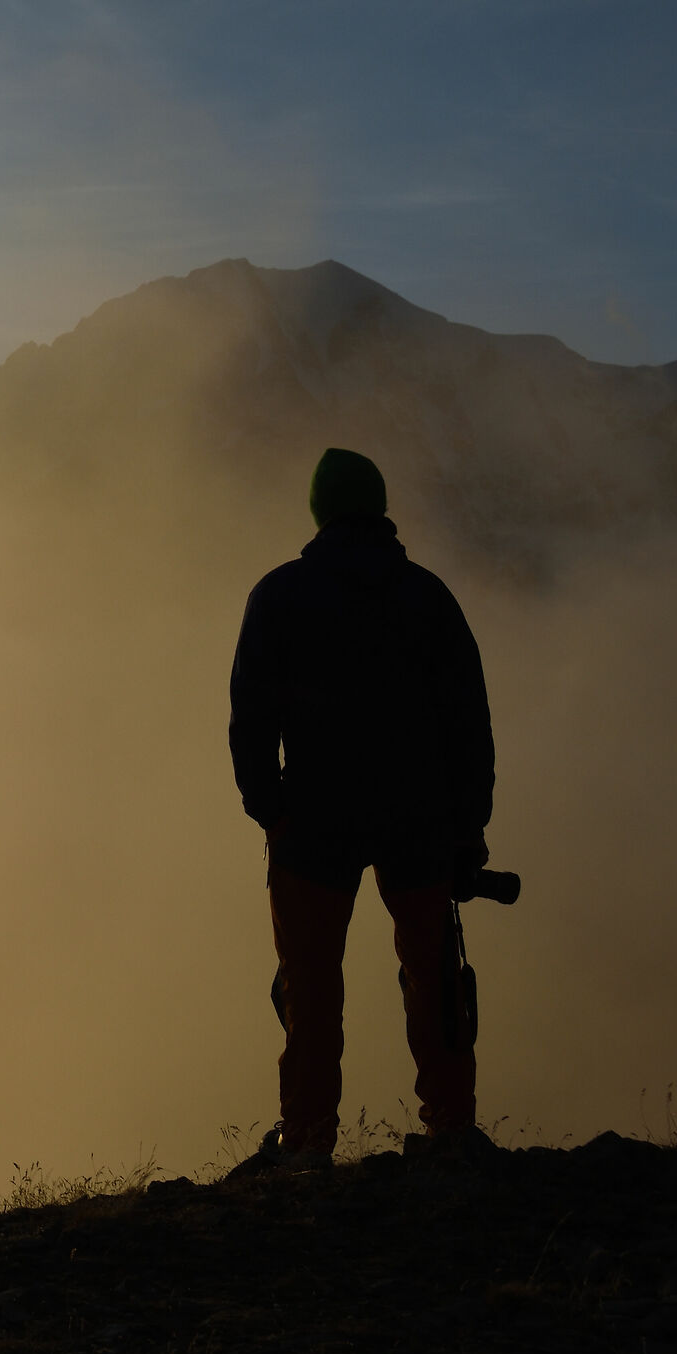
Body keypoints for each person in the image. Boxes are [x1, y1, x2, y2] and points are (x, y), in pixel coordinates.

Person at [227, 448, 497, 1172]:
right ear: (380, 509)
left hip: (313, 825)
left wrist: (270, 811)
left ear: (320, 511)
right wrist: (467, 828)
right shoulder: (427, 596)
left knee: (312, 992)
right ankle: (451, 1138)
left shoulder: (280, 596)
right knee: (433, 979)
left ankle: (308, 1147)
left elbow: (250, 718)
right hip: (420, 824)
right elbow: (468, 721)